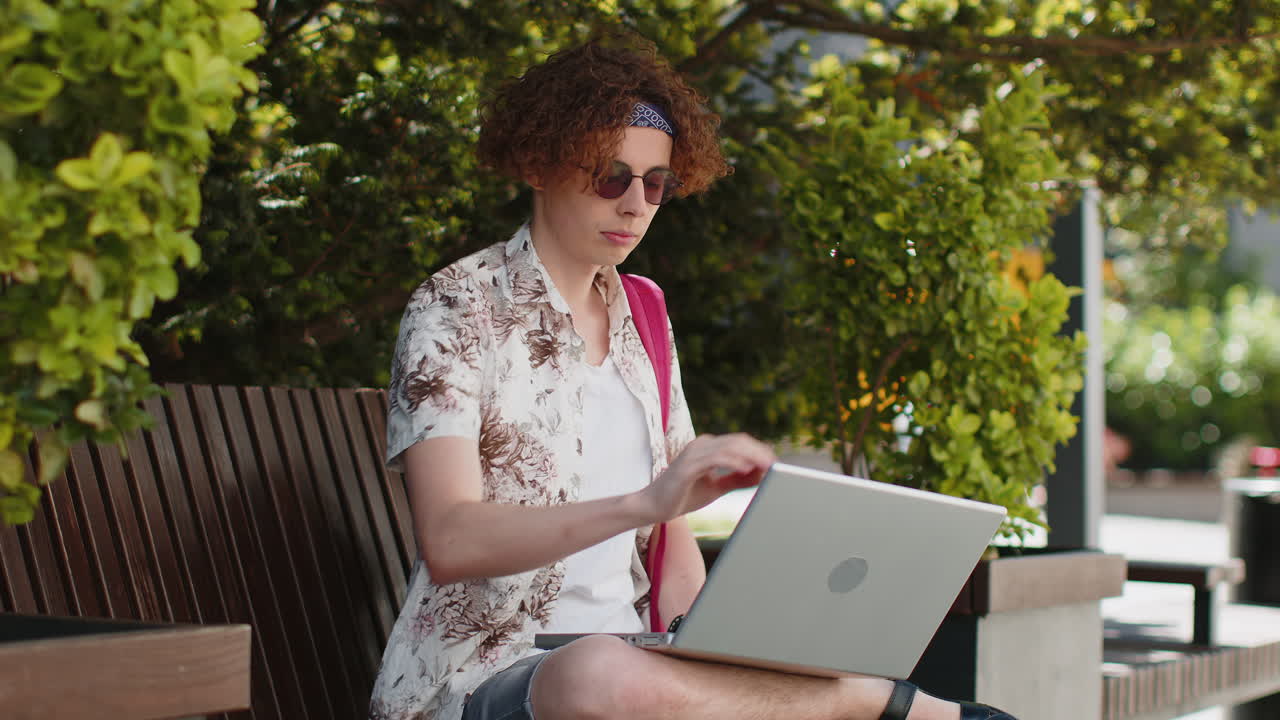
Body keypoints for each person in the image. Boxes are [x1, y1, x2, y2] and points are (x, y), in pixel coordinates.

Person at [368, 35, 1018, 720]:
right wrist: (645, 504)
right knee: (597, 671)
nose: (635, 205)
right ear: (537, 162)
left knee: (629, 666)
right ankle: (892, 707)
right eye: (609, 175)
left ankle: (866, 701)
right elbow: (451, 540)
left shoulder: (643, 312)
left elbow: (674, 552)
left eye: (655, 184)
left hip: (641, 674)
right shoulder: (455, 306)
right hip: (480, 682)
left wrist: (703, 640)